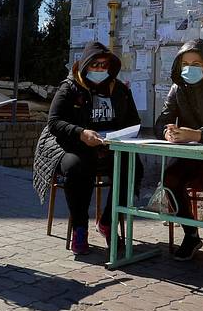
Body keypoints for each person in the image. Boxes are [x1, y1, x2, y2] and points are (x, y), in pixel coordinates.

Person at [47, 41, 143, 256]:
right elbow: (54, 122)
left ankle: (108, 222)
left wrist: (122, 136)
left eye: (104, 65)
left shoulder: (119, 89)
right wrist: (81, 133)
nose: (100, 69)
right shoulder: (70, 87)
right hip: (76, 147)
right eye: (95, 65)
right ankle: (79, 228)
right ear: (85, 65)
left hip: (110, 148)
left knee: (132, 166)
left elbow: (133, 120)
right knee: (77, 169)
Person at [153, 39, 203, 275]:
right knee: (170, 178)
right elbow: (161, 120)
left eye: (196, 63)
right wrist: (168, 132)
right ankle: (191, 234)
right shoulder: (177, 89)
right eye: (185, 63)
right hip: (188, 155)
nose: (190, 68)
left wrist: (198, 134)